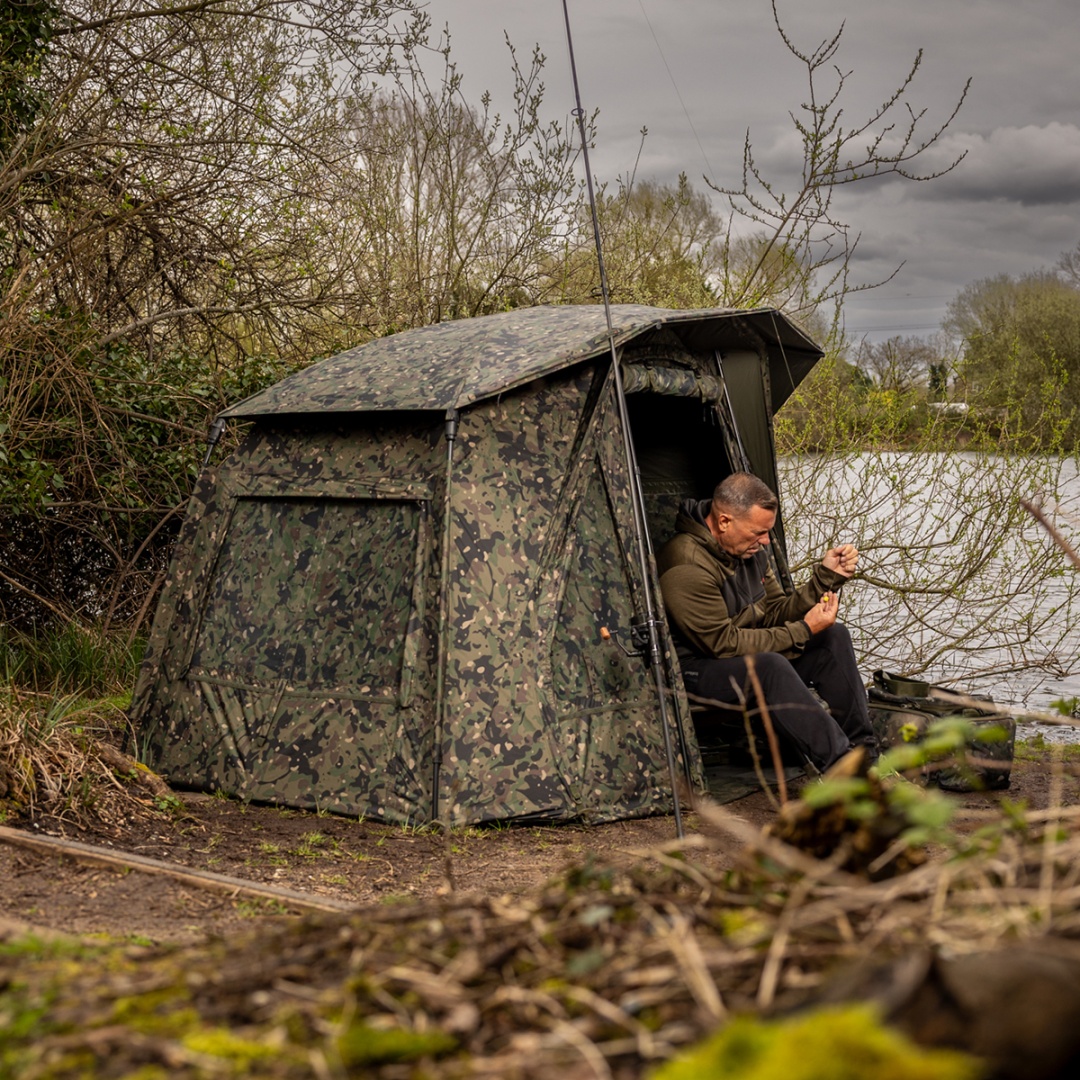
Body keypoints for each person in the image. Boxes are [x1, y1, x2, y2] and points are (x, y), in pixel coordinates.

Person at [657, 472, 877, 772]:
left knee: (832, 636)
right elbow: (722, 644)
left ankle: (867, 755)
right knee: (768, 666)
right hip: (694, 671)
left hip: (745, 655)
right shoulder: (686, 562)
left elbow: (774, 612)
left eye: (767, 532)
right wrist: (803, 630)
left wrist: (825, 578)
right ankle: (845, 770)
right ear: (724, 522)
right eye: (758, 533)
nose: (765, 542)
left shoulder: (748, 550)